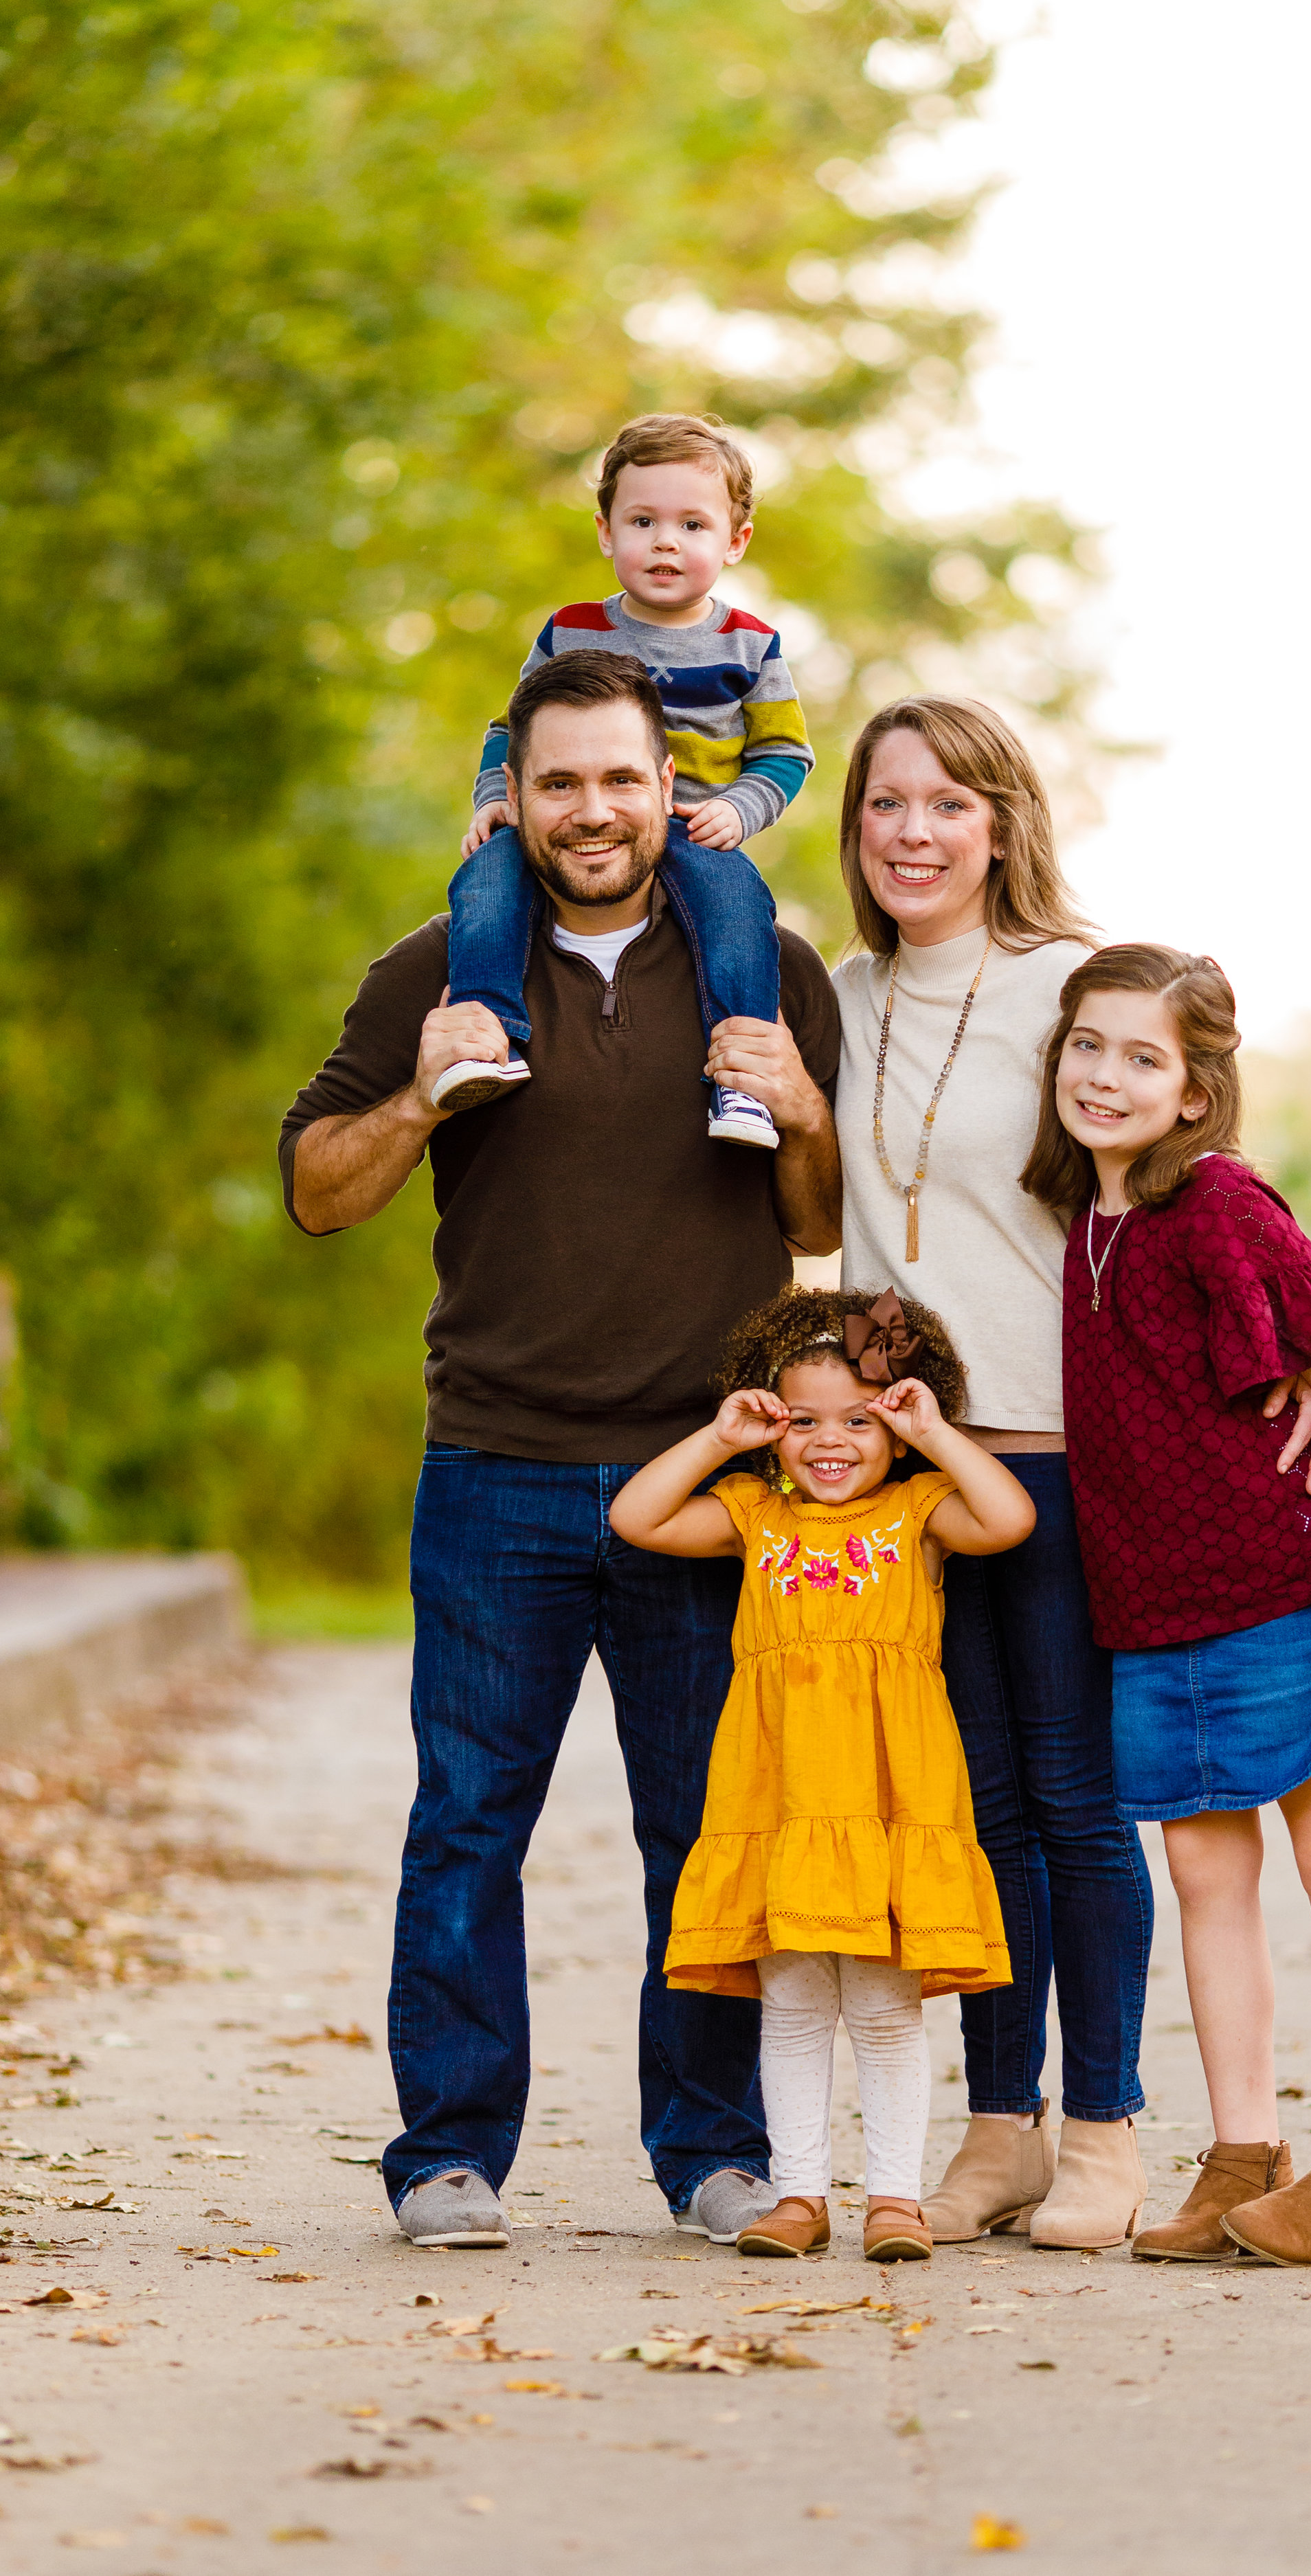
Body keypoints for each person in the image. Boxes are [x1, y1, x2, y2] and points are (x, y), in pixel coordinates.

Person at [277, 650, 841, 2252]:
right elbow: (319, 1189)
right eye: (560, 780)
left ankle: (716, 2152)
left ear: (671, 787)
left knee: (705, 1827)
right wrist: (420, 1098)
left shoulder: (764, 968)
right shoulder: (435, 969)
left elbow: (820, 1227)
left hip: (704, 1484)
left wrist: (801, 1107)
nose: (592, 810)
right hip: (497, 1468)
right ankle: (449, 2151)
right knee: (467, 1820)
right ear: (510, 795)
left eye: (621, 778)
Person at [831, 697, 1311, 2251]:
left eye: (947, 803)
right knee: (968, 1809)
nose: (913, 831)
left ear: (1001, 822)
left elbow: (1191, 1163)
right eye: (884, 804)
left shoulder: (1066, 985)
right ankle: (1003, 2124)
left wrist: (1298, 1364)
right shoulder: (832, 992)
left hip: (1063, 1462)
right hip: (911, 1470)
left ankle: (1105, 2125)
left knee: (1074, 1797)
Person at [1024, 942, 1311, 2266]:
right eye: (1088, 1045)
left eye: (1144, 1057)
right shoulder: (1091, 1222)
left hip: (1272, 1589)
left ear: (1195, 1091)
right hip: (1151, 1610)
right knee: (1202, 1872)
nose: (1107, 1074)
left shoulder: (1224, 1204)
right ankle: (1243, 2151)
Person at [609, 1285, 1031, 2261]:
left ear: (896, 1425)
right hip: (782, 1795)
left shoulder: (918, 1510)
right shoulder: (754, 1513)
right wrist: (720, 1439)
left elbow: (1008, 1516)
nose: (829, 1440)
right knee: (795, 2002)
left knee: (882, 2008)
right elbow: (639, 1516)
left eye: (858, 1418)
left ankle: (895, 2198)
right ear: (772, 1425)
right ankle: (800, 2193)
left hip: (891, 1797)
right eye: (803, 1419)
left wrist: (933, 1430)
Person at [434, 412, 814, 1151]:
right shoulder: (570, 630)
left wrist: (740, 811)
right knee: (485, 883)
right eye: (643, 520)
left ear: (734, 541)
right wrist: (494, 803)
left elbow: (785, 753)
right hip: (575, 816)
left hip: (695, 822)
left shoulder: (751, 643)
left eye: (692, 525)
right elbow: (509, 730)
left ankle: (739, 1080)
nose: (665, 541)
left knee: (739, 910)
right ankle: (487, 1040)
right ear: (607, 532)